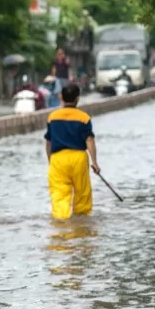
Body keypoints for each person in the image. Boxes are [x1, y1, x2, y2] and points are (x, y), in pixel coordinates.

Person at [45, 84, 100, 219]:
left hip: (58, 159)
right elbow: (90, 140)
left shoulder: (53, 117)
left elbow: (48, 141)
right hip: (78, 158)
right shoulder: (84, 117)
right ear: (77, 99)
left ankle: (61, 226)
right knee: (82, 194)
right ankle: (81, 227)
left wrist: (50, 160)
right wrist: (95, 163)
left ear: (61, 97)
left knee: (59, 194)